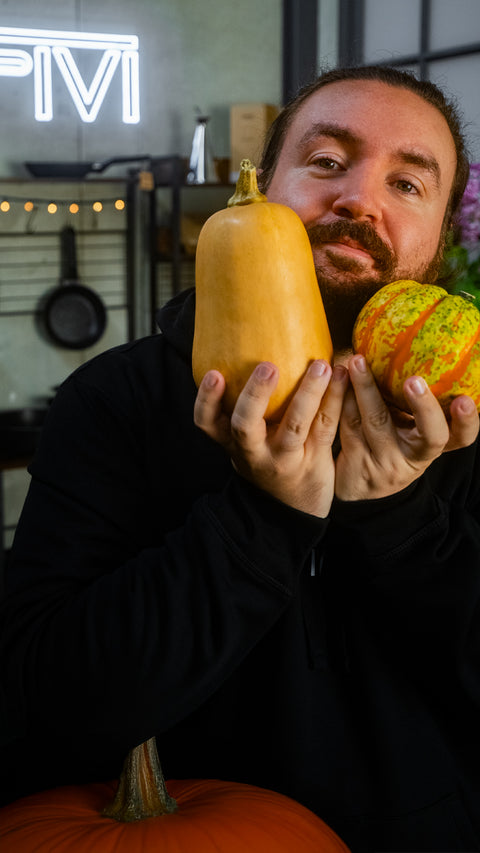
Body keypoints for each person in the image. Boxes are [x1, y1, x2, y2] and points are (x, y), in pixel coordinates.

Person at [1, 64, 479, 851]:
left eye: (407, 183)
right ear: (262, 187)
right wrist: (262, 518)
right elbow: (43, 704)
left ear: (438, 239)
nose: (359, 199)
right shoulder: (110, 401)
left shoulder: (467, 418)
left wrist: (400, 522)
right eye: (326, 162)